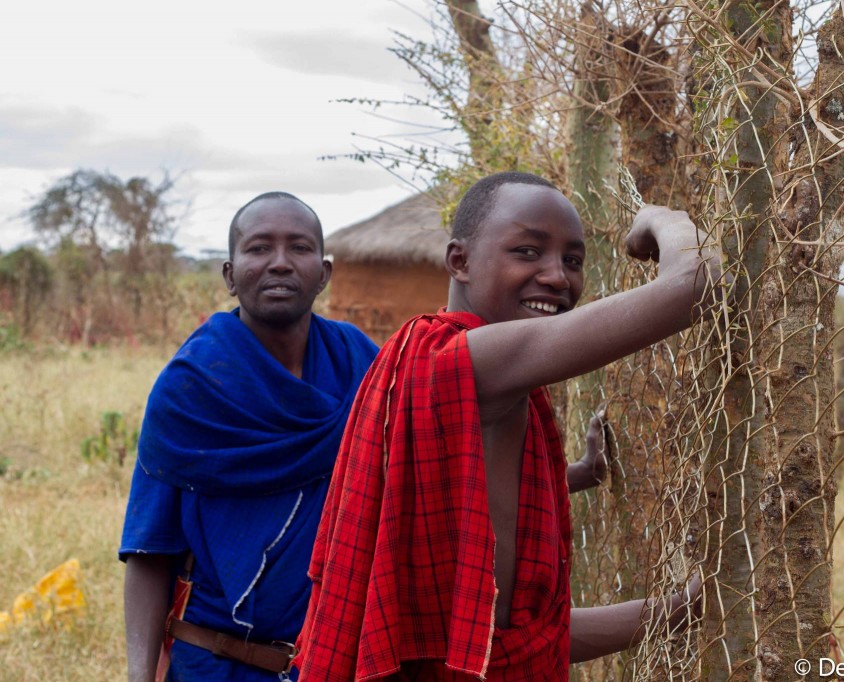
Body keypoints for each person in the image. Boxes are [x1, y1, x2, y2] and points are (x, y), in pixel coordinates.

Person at [297, 172, 718, 681]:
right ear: (460, 261)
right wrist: (660, 218)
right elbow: (697, 284)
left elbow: (520, 638)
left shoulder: (465, 377)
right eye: (527, 251)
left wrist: (685, 606)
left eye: (573, 260)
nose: (558, 277)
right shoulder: (466, 360)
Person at [120, 192, 379, 681]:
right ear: (229, 275)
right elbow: (149, 548)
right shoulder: (189, 389)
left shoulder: (361, 366)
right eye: (259, 248)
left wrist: (570, 476)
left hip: (337, 664)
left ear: (323, 274)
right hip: (216, 664)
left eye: (298, 248)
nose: (279, 263)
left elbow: (425, 473)